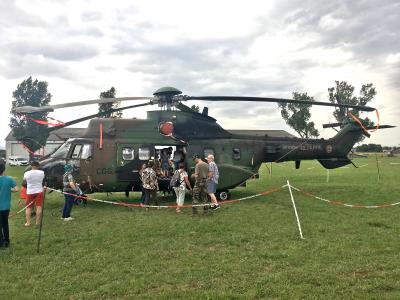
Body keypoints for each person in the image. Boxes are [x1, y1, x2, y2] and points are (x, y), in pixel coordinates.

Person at [0, 163, 18, 249]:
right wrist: (9, 189)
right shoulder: (9, 179)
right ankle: (6, 241)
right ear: (3, 170)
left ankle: (1, 242)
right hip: (6, 207)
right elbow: (16, 189)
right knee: (5, 224)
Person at [23, 161, 45, 226]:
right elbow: (43, 178)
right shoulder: (42, 172)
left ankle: (28, 222)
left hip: (30, 192)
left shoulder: (27, 173)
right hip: (39, 191)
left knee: (28, 207)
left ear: (31, 166)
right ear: (38, 166)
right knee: (39, 206)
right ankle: (37, 223)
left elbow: (24, 180)